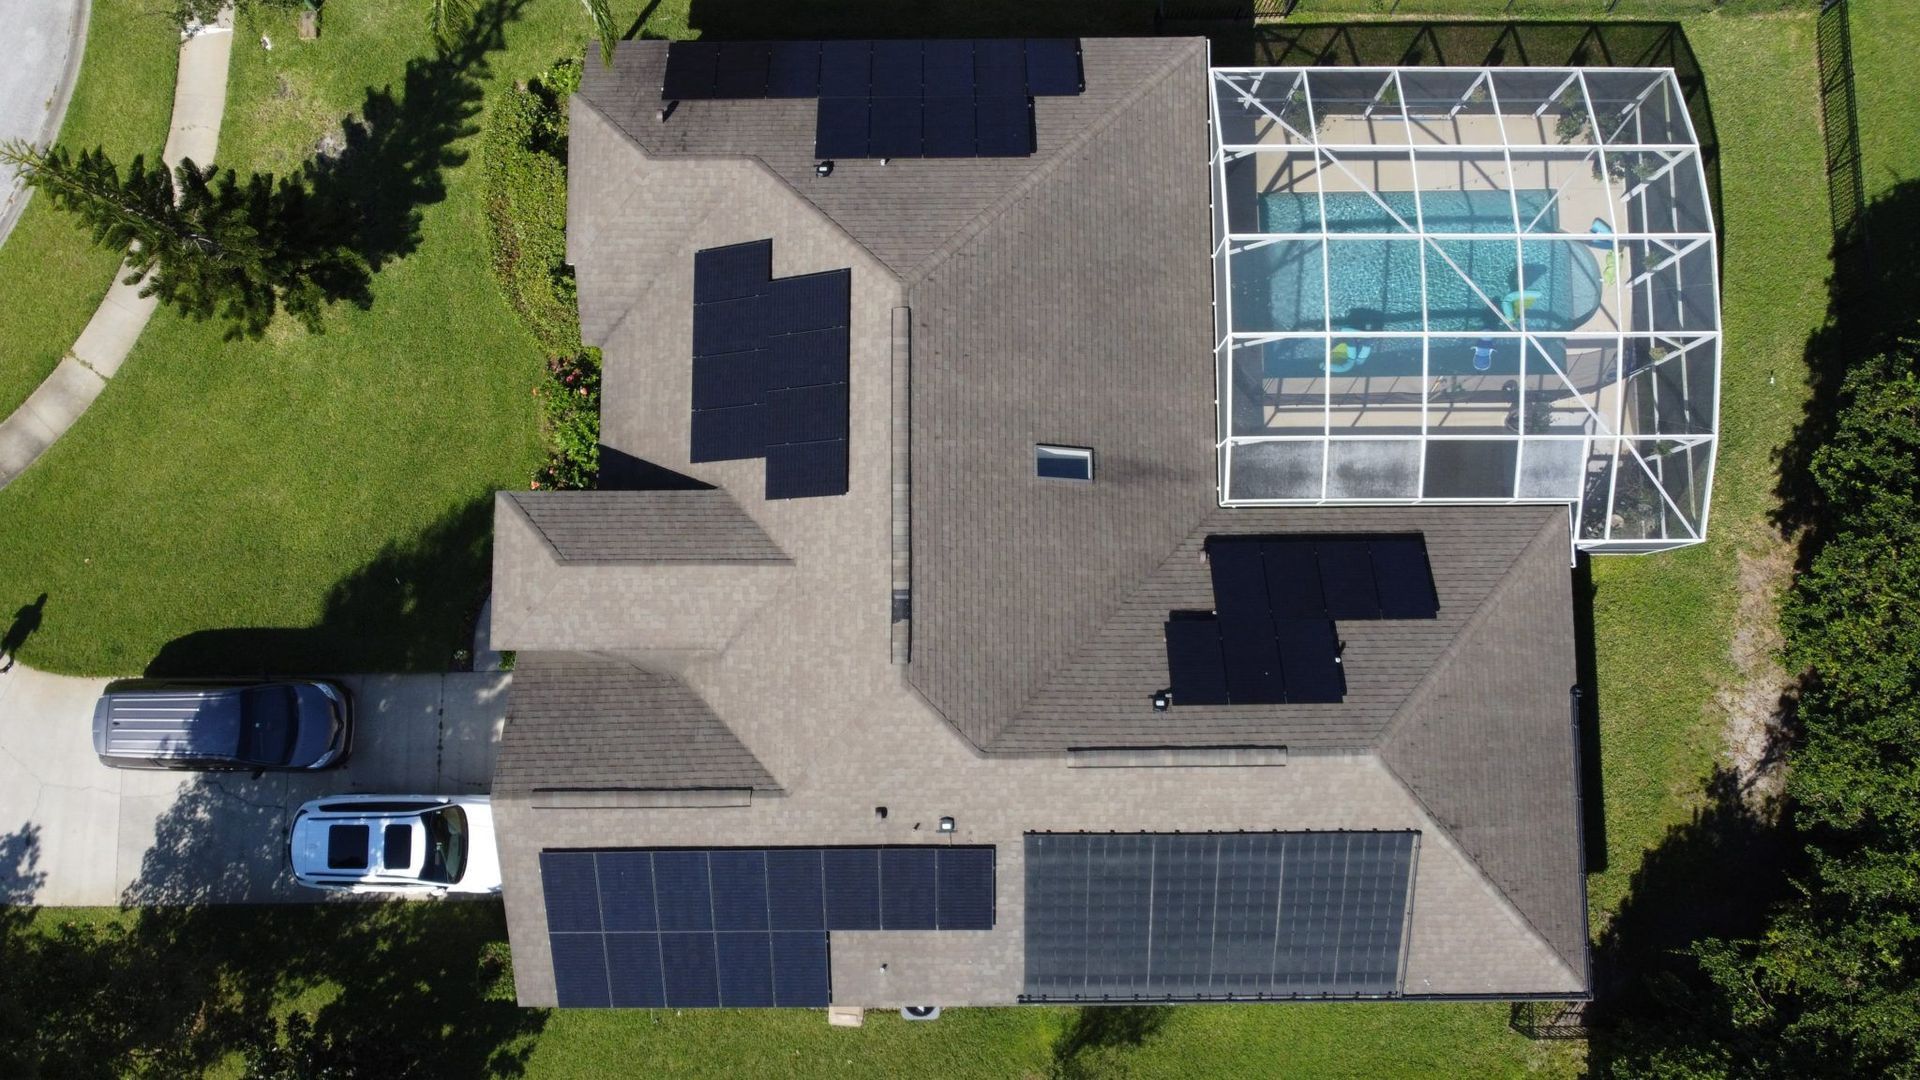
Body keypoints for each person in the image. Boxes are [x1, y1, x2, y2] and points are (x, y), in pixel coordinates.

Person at [0, 594, 46, 673]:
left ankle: (8, 665)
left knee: (6, 646)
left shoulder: (28, 607)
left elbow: (16, 615)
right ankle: (9, 665)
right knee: (12, 649)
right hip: (22, 633)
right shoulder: (39, 615)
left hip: (16, 628)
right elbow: (35, 629)